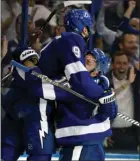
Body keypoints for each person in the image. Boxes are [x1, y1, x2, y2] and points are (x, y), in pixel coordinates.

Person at [9, 9, 117, 161]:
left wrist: (26, 71)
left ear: (98, 71)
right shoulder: (96, 85)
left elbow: (42, 86)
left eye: (90, 61)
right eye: (85, 57)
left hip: (85, 144)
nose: (85, 59)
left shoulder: (92, 85)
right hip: (84, 144)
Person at [105, 51, 140, 152]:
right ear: (112, 65)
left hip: (131, 134)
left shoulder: (136, 81)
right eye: (118, 63)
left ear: (129, 65)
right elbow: (106, 97)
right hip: (111, 135)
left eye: (124, 63)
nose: (121, 66)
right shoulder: (105, 81)